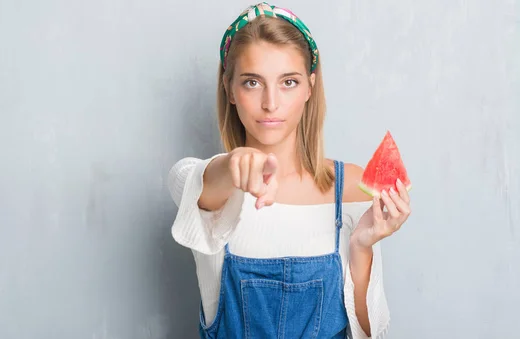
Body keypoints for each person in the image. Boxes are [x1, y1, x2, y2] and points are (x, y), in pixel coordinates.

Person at [167, 2, 411, 338]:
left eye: (289, 82)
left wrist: (361, 247)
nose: (270, 102)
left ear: (310, 86)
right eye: (252, 82)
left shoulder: (351, 190)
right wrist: (234, 164)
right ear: (230, 89)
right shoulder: (210, 190)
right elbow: (188, 178)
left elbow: (371, 333)